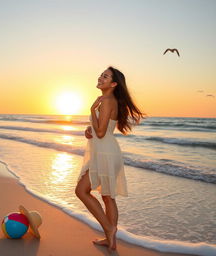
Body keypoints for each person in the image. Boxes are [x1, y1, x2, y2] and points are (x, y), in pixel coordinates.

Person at [75, 66, 145, 252]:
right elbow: (101, 131)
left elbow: (100, 131)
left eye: (105, 76)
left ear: (113, 84)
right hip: (106, 151)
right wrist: (89, 130)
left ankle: (108, 228)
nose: (100, 77)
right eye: (101, 74)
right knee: (107, 197)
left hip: (105, 154)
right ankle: (110, 240)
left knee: (81, 191)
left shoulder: (106, 100)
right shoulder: (110, 100)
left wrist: (91, 110)